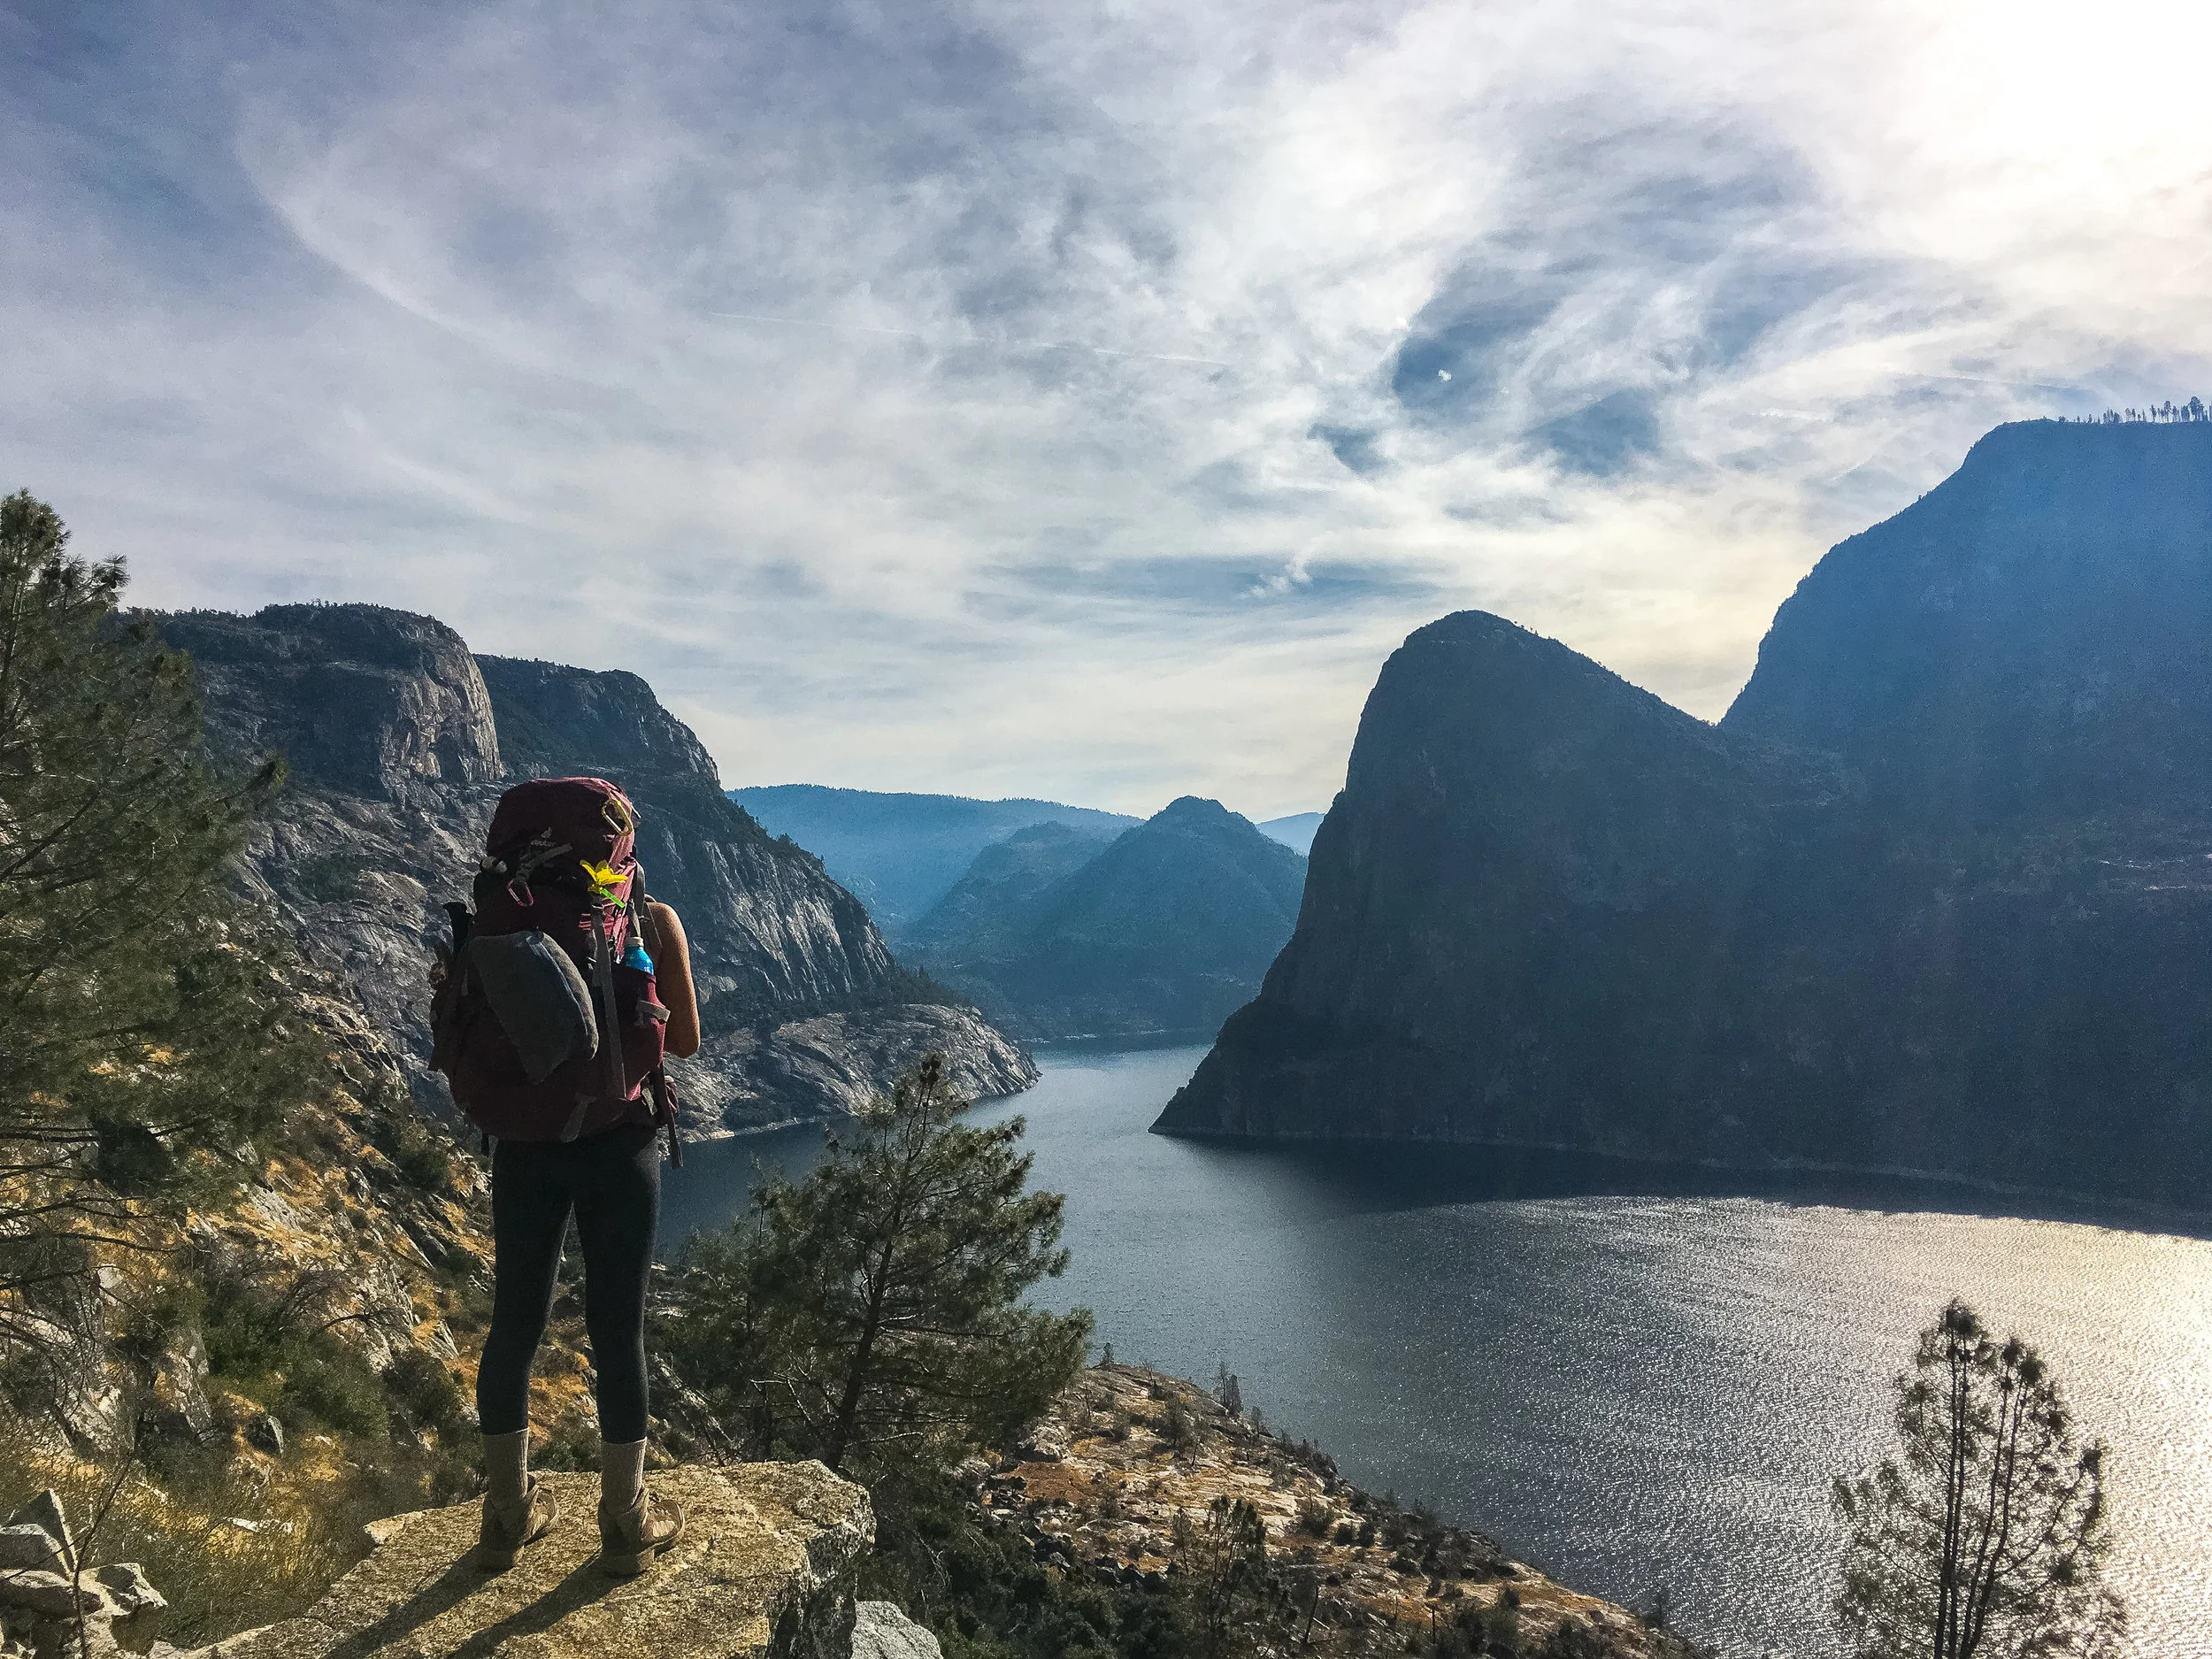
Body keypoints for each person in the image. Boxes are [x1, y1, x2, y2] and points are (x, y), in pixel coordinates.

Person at [469, 891, 701, 1577]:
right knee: (617, 1329)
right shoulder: (655, 918)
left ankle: (506, 1516)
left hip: (524, 1142)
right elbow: (684, 1039)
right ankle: (626, 1522)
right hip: (618, 1143)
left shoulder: (511, 917)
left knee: (513, 1325)